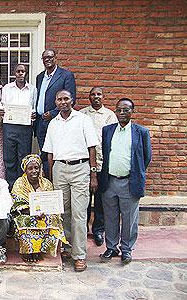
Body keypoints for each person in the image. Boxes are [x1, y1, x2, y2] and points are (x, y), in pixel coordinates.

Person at [43, 90, 99, 272]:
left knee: (79, 213)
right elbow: (50, 153)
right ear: (56, 102)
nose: (63, 102)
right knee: (64, 212)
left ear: (72, 101)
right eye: (59, 99)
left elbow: (92, 148)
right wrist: (50, 177)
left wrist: (93, 174)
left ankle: (80, 255)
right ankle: (67, 247)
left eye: (66, 98)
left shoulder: (83, 120)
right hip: (60, 168)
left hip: (80, 168)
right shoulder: (53, 123)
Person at [100, 98, 151, 265]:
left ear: (132, 112)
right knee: (110, 217)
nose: (122, 113)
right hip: (109, 181)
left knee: (129, 219)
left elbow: (146, 157)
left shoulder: (141, 132)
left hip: (129, 182)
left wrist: (136, 174)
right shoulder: (107, 130)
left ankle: (127, 249)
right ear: (115, 112)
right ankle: (111, 247)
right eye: (119, 110)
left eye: (126, 110)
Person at [11, 154, 67, 263]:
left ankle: (39, 250)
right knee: (25, 220)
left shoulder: (46, 183)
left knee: (52, 219)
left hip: (44, 213)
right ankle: (28, 251)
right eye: (30, 168)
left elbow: (52, 203)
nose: (34, 171)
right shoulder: (19, 184)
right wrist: (33, 212)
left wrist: (45, 212)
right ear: (25, 170)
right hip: (25, 213)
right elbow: (17, 205)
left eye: (36, 168)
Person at [80, 87, 117, 246]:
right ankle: (83, 228)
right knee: (84, 199)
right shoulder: (82, 114)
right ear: (89, 97)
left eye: (99, 94)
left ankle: (98, 230)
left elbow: (114, 138)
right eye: (93, 94)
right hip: (84, 163)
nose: (96, 97)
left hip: (103, 163)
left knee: (101, 199)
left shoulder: (109, 115)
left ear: (103, 97)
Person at [35, 49, 76, 175]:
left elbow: (71, 99)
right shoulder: (40, 77)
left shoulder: (65, 75)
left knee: (55, 153)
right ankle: (47, 182)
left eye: (50, 57)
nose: (47, 59)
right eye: (45, 58)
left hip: (57, 121)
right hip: (40, 122)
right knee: (44, 153)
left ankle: (56, 180)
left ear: (55, 58)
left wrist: (53, 113)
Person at [2, 64, 37, 188]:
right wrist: (2, 111)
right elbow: (3, 105)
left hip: (25, 127)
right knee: (9, 158)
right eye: (18, 71)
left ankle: (22, 187)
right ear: (14, 73)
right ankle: (11, 187)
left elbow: (34, 106)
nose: (21, 73)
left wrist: (33, 114)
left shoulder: (32, 89)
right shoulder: (7, 88)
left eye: (23, 71)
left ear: (26, 73)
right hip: (9, 126)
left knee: (23, 158)